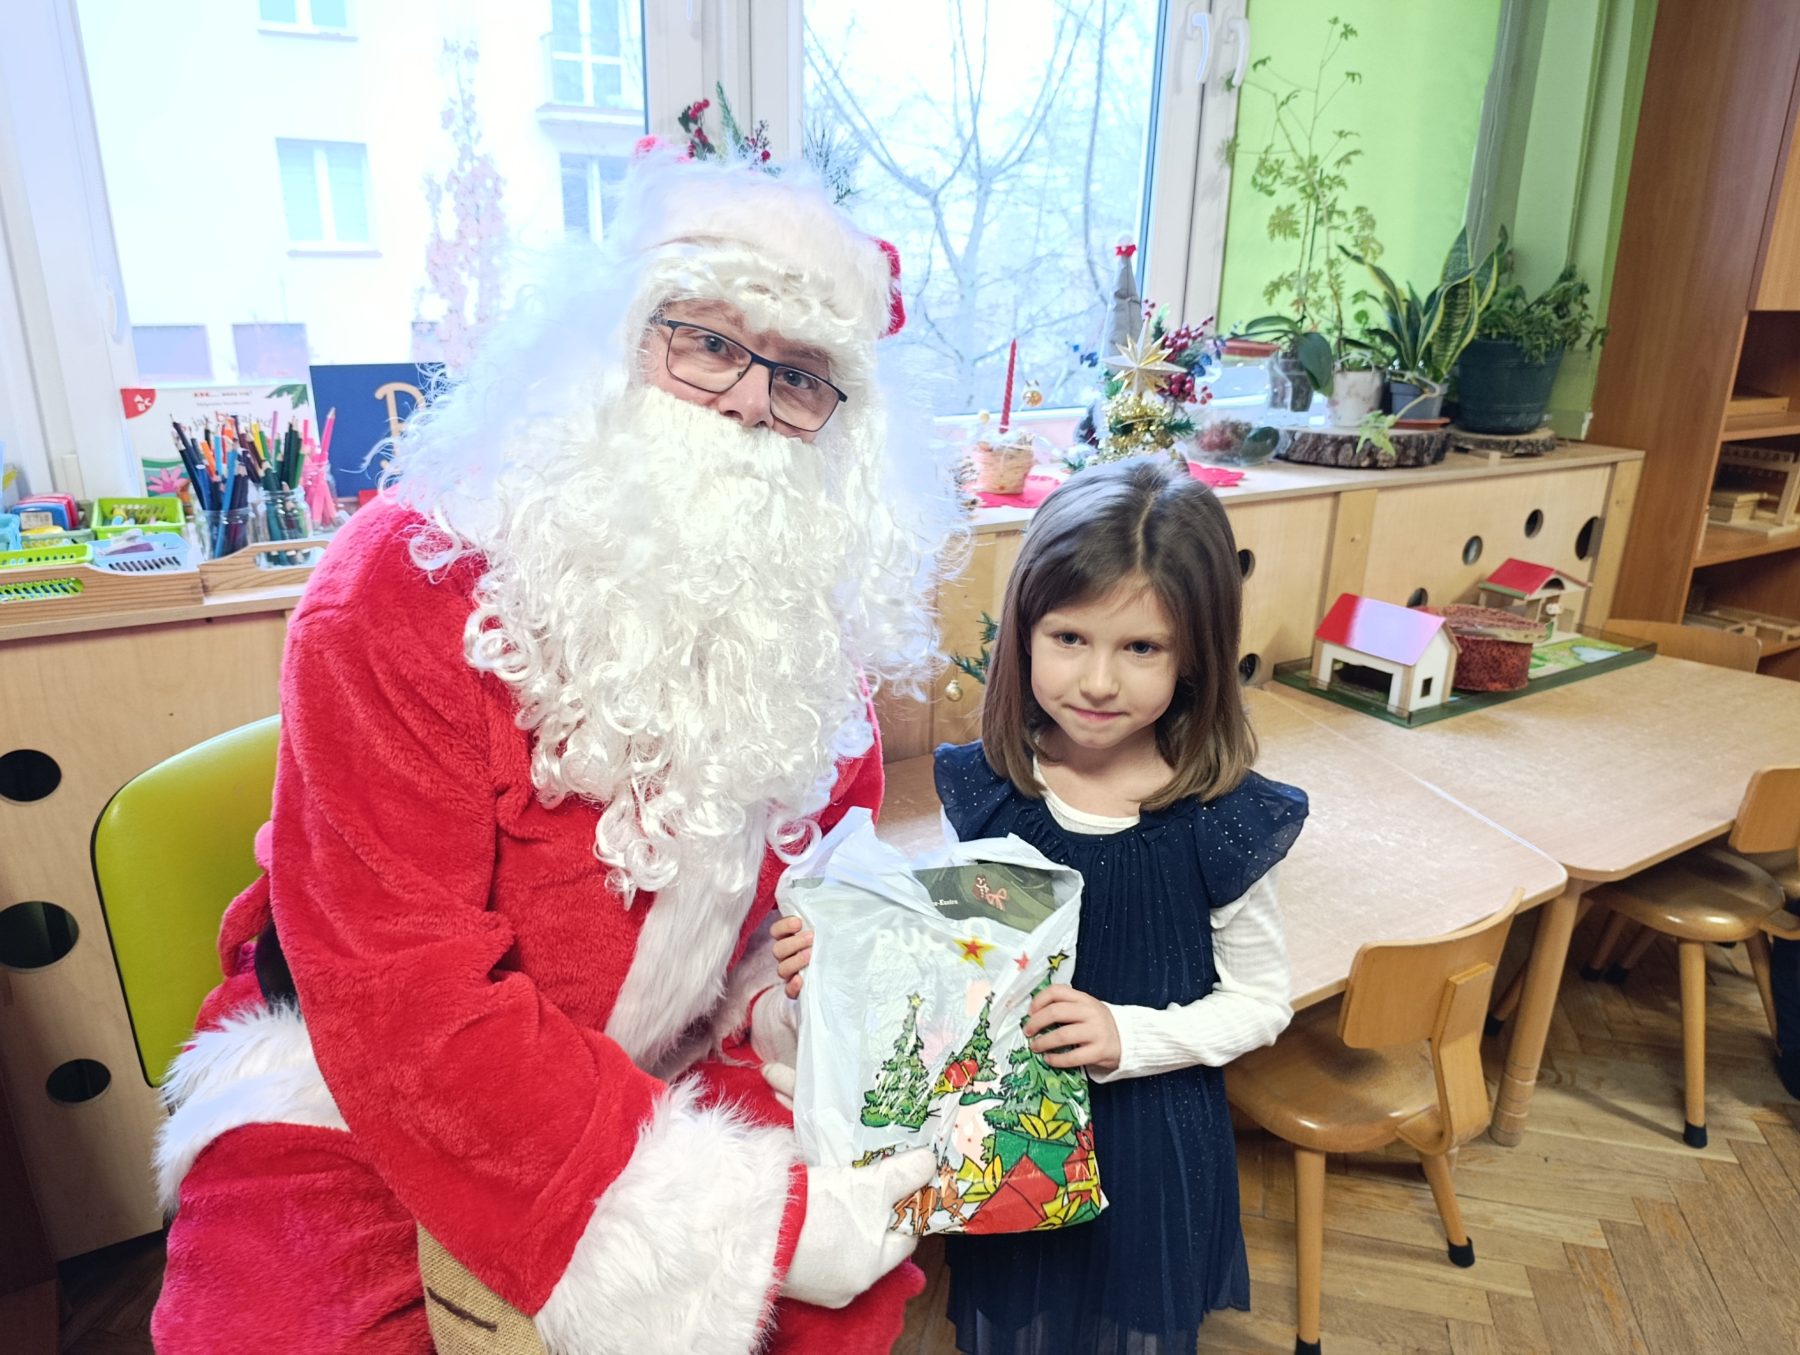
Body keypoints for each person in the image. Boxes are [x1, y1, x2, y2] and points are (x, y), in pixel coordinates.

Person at [149, 149, 963, 1354]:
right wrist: (754, 1220)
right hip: (360, 1075)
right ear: (612, 341)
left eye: (800, 376)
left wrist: (807, 996)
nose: (751, 400)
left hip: (680, 1057)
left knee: (844, 1310)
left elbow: (798, 912)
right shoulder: (398, 585)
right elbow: (401, 997)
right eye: (707, 342)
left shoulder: (803, 631)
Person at [774, 458, 1308, 1354]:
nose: (1097, 680)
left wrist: (1127, 1035)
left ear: (1197, 654)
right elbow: (951, 956)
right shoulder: (988, 791)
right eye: (1069, 637)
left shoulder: (1220, 821)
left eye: (1141, 648)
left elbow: (1261, 1002)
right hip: (1008, 1141)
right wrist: (838, 956)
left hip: (1149, 1145)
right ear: (1024, 632)